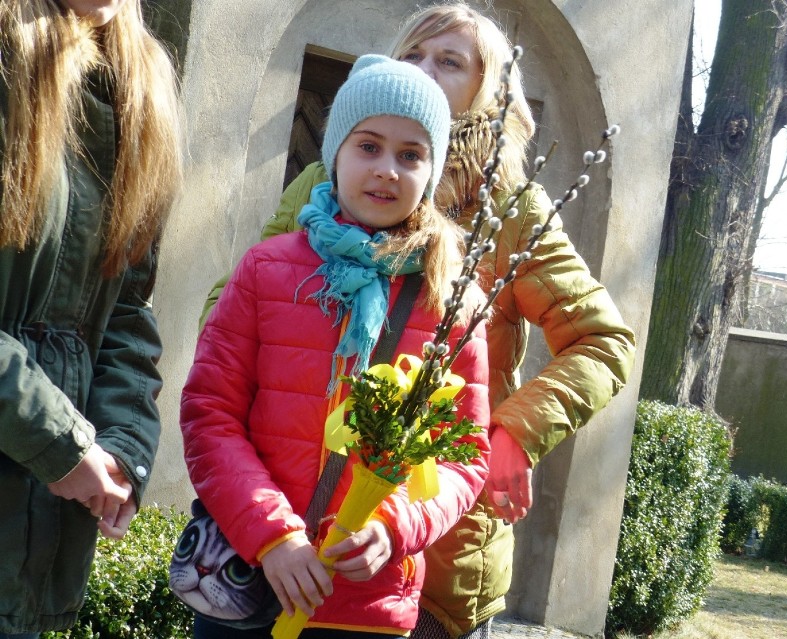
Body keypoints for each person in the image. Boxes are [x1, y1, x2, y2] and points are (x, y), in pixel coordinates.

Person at [199, 3, 636, 638]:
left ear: (487, 90)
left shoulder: (509, 208)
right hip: (291, 522)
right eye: (414, 55)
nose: (426, 71)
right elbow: (236, 309)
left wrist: (509, 436)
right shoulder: (328, 180)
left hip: (437, 544)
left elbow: (605, 340)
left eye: (451, 61)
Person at [180, 54, 491, 639]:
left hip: (368, 605)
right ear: (335, 154)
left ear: (433, 168)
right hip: (250, 582)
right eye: (368, 146)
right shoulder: (267, 271)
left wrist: (396, 526)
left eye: (411, 154)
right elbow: (210, 414)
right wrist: (273, 536)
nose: (387, 171)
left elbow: (465, 455)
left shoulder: (452, 300)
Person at [0, 0, 182, 637]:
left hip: (36, 533)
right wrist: (58, 444)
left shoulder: (142, 90)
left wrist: (120, 452)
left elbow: (128, 309)